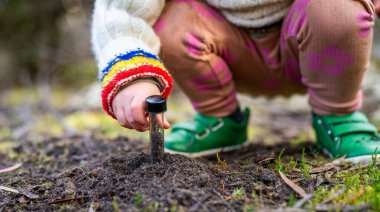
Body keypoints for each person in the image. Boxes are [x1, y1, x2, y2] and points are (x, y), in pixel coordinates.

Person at [92, 0, 380, 163]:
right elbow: (122, 10)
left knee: (337, 5)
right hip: (223, 51)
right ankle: (219, 118)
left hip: (315, 47)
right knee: (171, 15)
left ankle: (337, 116)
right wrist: (134, 75)